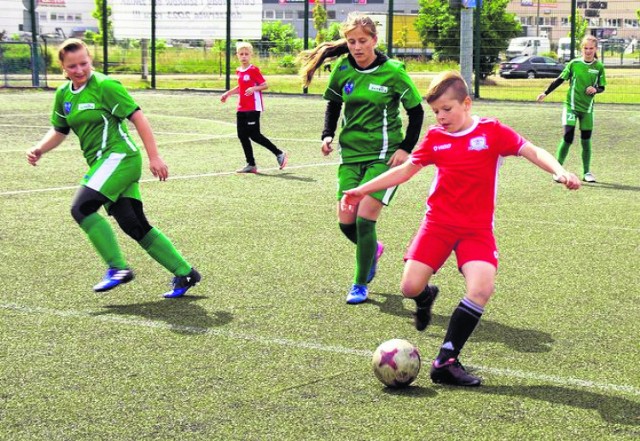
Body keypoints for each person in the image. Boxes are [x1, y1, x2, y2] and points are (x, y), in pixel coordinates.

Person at [342, 71, 581, 386]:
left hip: (476, 229)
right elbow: (404, 171)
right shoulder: (435, 138)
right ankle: (426, 297)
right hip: (437, 225)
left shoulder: (492, 131)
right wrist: (361, 190)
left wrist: (559, 170)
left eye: (447, 109)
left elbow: (531, 150)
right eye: (436, 111)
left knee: (481, 289)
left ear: (466, 104)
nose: (441, 117)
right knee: (409, 288)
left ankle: (445, 361)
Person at [26, 38, 201, 299]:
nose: (79, 70)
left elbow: (138, 117)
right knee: (133, 224)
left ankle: (118, 268)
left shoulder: (105, 85)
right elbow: (60, 130)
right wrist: (40, 149)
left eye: (84, 63)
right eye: (72, 66)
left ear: (90, 61)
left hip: (120, 157)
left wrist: (155, 157)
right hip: (105, 164)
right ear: (63, 66)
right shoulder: (63, 95)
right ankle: (185, 272)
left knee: (81, 208)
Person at [298, 13, 425, 304]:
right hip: (350, 154)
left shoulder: (393, 71)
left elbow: (416, 111)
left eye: (363, 41)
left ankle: (359, 284)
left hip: (384, 157)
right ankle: (372, 250)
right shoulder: (343, 69)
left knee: (365, 219)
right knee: (345, 221)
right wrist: (327, 134)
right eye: (352, 41)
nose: (357, 46)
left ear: (374, 41)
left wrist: (406, 147)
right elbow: (333, 104)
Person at [537, 35, 606, 183]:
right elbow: (560, 79)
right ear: (582, 49)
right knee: (568, 136)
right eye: (585, 48)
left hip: (587, 109)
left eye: (591, 48)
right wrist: (545, 93)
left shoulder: (599, 67)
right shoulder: (574, 64)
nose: (588, 51)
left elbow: (602, 87)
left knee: (586, 140)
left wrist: (595, 89)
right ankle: (558, 170)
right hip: (571, 107)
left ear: (595, 49)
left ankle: (586, 172)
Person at [220, 42, 288, 173]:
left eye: (246, 54)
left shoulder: (253, 70)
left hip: (253, 107)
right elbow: (241, 87)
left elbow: (265, 85)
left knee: (255, 135)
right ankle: (251, 164)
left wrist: (254, 88)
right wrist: (227, 93)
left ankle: (279, 154)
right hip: (241, 107)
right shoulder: (239, 70)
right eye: (241, 54)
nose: (244, 56)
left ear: (251, 55)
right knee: (242, 135)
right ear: (237, 55)